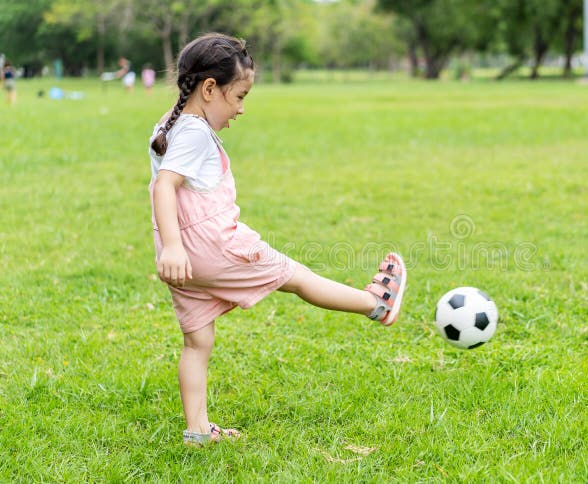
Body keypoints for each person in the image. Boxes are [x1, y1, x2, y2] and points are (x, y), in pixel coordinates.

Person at [148, 33, 407, 446]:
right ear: (210, 88)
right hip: (213, 245)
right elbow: (165, 186)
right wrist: (178, 247)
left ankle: (197, 431)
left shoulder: (169, 122)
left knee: (197, 341)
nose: (242, 109)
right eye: (239, 96)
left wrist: (174, 248)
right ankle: (375, 304)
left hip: (183, 260)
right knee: (297, 276)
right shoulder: (195, 132)